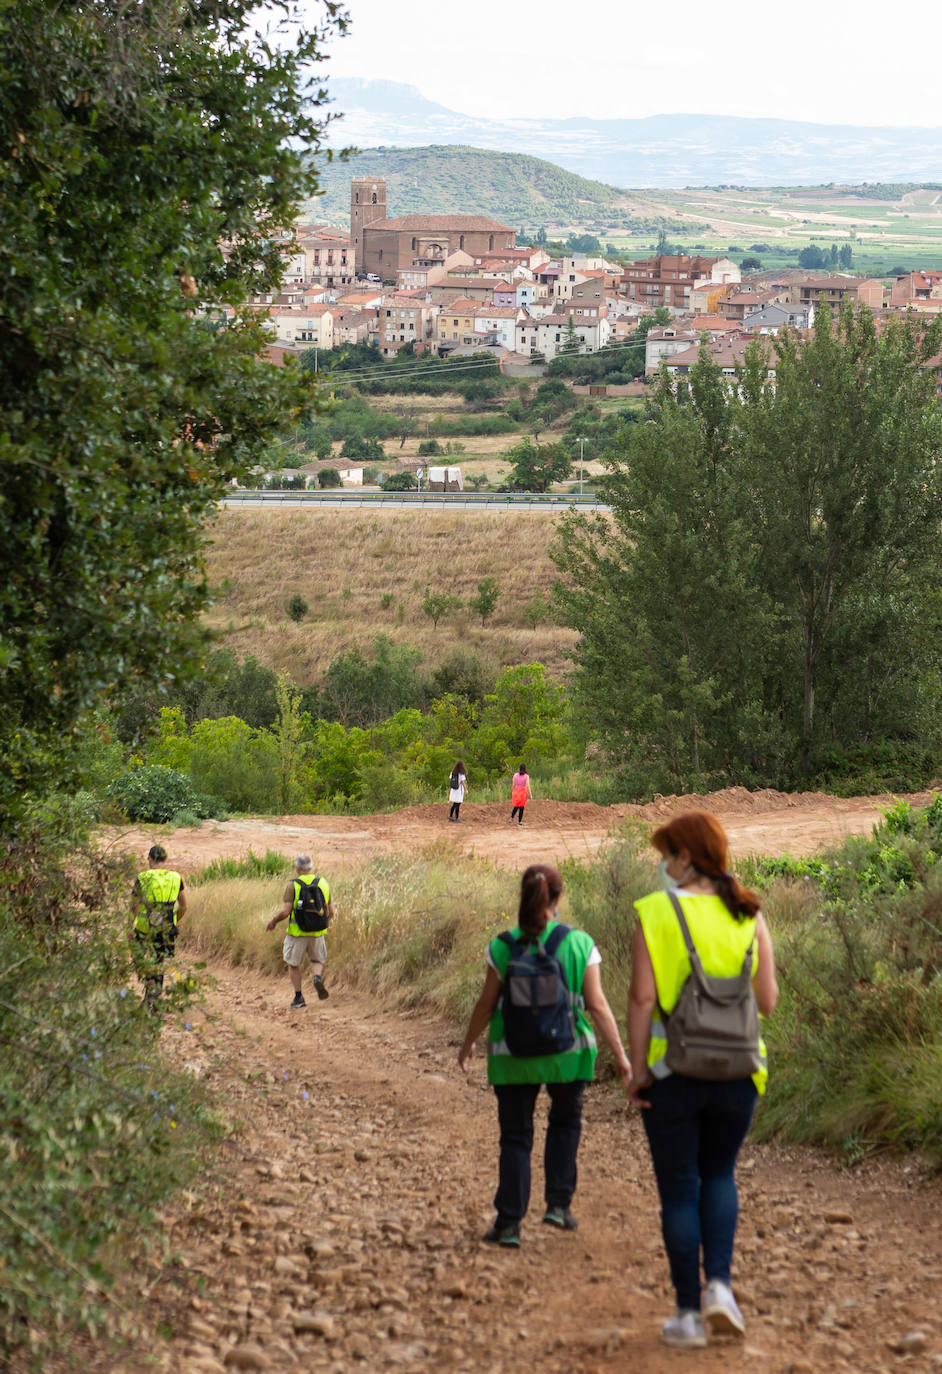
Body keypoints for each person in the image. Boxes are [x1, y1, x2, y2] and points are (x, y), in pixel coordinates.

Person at [626, 811, 779, 1349]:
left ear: (686, 857)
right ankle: (721, 1288)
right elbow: (767, 1001)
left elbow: (643, 1000)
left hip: (674, 1072)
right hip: (740, 1072)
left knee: (678, 1191)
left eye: (668, 854)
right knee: (720, 1175)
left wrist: (638, 1068)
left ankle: (688, 1316)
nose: (664, 864)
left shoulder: (656, 912)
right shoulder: (749, 912)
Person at [458, 863, 631, 1246]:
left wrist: (468, 1042)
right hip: (569, 1056)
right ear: (558, 898)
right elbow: (598, 1005)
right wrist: (620, 1054)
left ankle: (509, 1224)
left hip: (513, 1057)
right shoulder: (580, 944)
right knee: (565, 1124)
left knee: (516, 1137)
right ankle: (558, 1206)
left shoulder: (502, 946)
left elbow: (486, 1005)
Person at [267, 854, 333, 1008]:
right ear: (311, 867)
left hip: (297, 933)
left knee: (293, 964)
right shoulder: (323, 883)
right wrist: (323, 923)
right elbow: (331, 910)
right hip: (317, 932)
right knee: (316, 960)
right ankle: (317, 977)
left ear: (297, 868)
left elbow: (286, 912)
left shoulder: (293, 885)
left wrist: (273, 921)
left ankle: (299, 997)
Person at [131, 844, 186, 1005]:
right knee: (158, 961)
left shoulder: (143, 878)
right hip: (166, 928)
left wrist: (129, 928)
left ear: (149, 859)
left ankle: (149, 984)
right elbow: (184, 906)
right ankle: (154, 999)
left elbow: (134, 906)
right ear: (165, 859)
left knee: (138, 956)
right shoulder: (176, 878)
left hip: (144, 928)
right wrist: (174, 920)